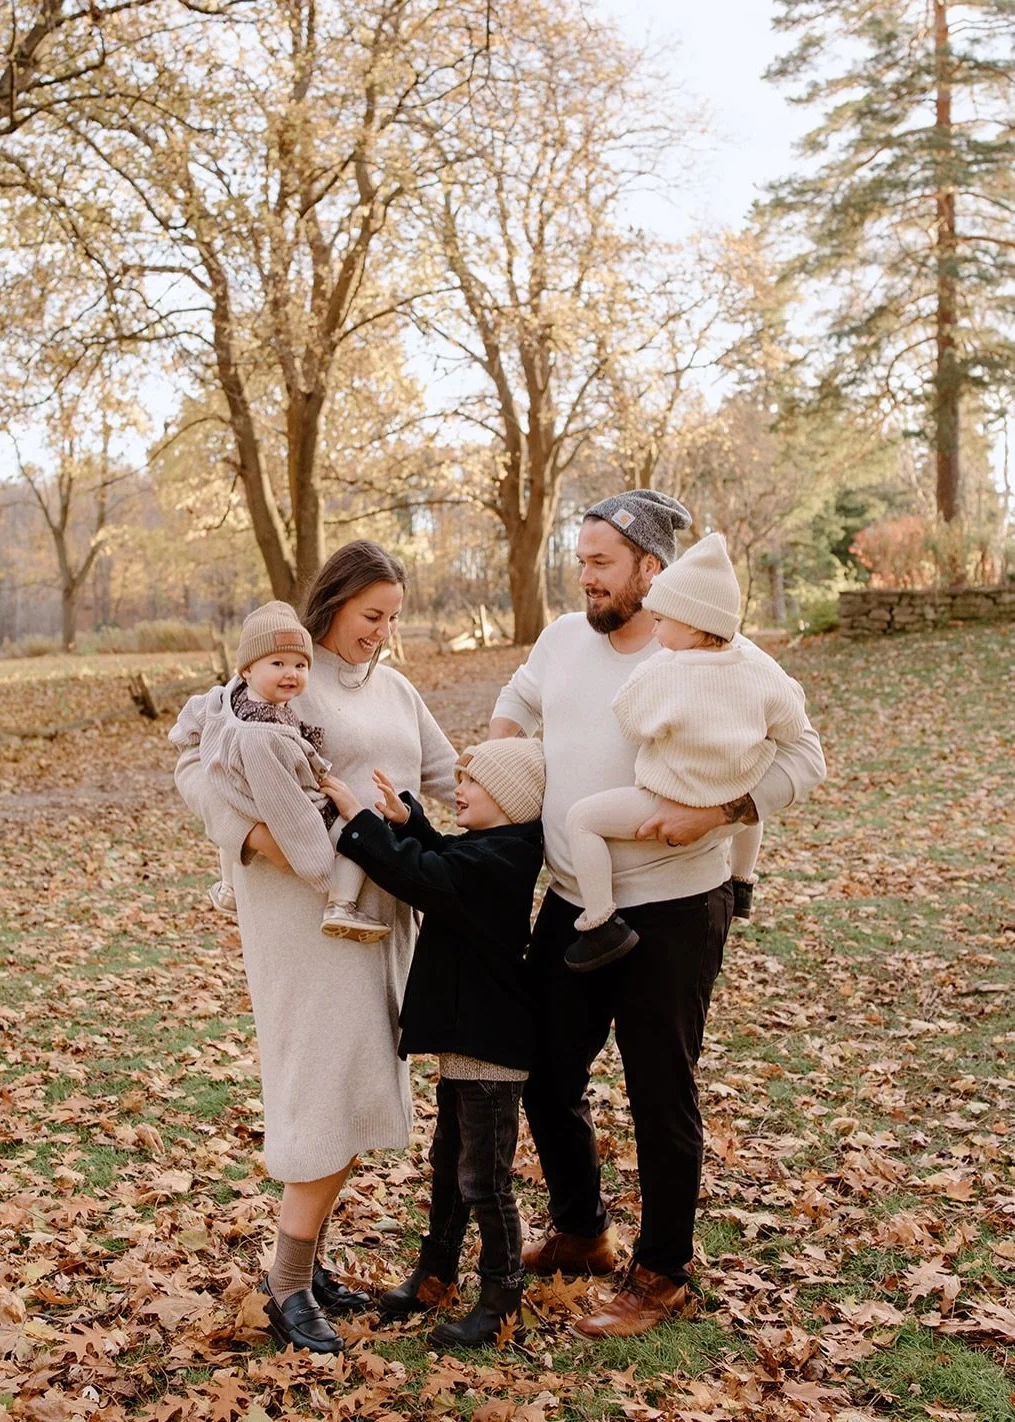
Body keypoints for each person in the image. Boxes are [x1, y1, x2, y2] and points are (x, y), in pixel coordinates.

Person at [489, 489, 825, 1340]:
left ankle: (662, 1273)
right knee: (546, 1076)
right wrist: (501, 750)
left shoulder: (723, 656)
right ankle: (582, 1231)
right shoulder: (562, 640)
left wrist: (720, 813)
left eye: (602, 563)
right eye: (581, 562)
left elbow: (803, 755)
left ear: (651, 568)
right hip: (572, 902)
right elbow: (517, 701)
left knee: (658, 1093)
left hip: (675, 909)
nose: (586, 578)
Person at [172, 541, 457, 1354]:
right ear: (332, 604)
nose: (383, 633)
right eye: (372, 615)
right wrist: (252, 836)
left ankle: (306, 1265)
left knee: (358, 1082)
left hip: (381, 907)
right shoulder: (279, 676)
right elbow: (194, 763)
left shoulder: (396, 689)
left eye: (393, 618)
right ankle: (287, 1284)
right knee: (327, 1081)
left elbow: (449, 774)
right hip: (303, 911)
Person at [320, 738, 545, 1348]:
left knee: (486, 1181)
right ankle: (437, 1272)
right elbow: (445, 855)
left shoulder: (504, 859)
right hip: (467, 1042)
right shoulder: (495, 847)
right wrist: (408, 821)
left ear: (512, 800)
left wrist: (359, 823)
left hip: (490, 1047)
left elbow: (426, 875)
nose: (458, 790)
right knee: (450, 1165)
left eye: (472, 782)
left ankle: (500, 1300)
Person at [564, 532, 808, 972]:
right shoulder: (758, 667)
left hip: (669, 798)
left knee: (582, 820)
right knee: (752, 806)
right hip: (733, 795)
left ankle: (600, 922)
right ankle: (742, 880)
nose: (654, 630)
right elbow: (791, 722)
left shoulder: (666, 671)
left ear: (693, 624)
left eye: (660, 620)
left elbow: (630, 720)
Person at [172, 601, 393, 944]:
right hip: (283, 802)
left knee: (234, 817)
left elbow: (196, 713)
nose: (291, 674)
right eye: (278, 664)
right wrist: (312, 855)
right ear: (247, 670)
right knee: (358, 836)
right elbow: (286, 802)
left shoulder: (231, 700)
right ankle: (341, 903)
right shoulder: (264, 734)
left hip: (239, 791)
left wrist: (186, 735)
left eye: (300, 665)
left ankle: (228, 887)